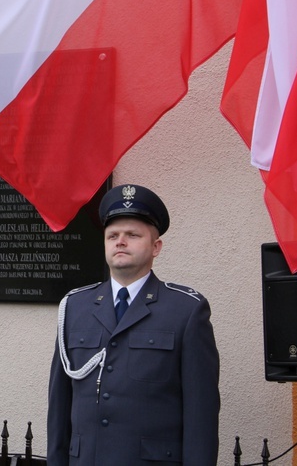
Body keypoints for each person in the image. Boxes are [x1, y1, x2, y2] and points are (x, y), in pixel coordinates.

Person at [47, 184, 220, 465]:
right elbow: (59, 405)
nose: (120, 241)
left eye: (132, 235)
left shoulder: (186, 311)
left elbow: (201, 414)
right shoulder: (75, 307)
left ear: (156, 247)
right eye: (112, 235)